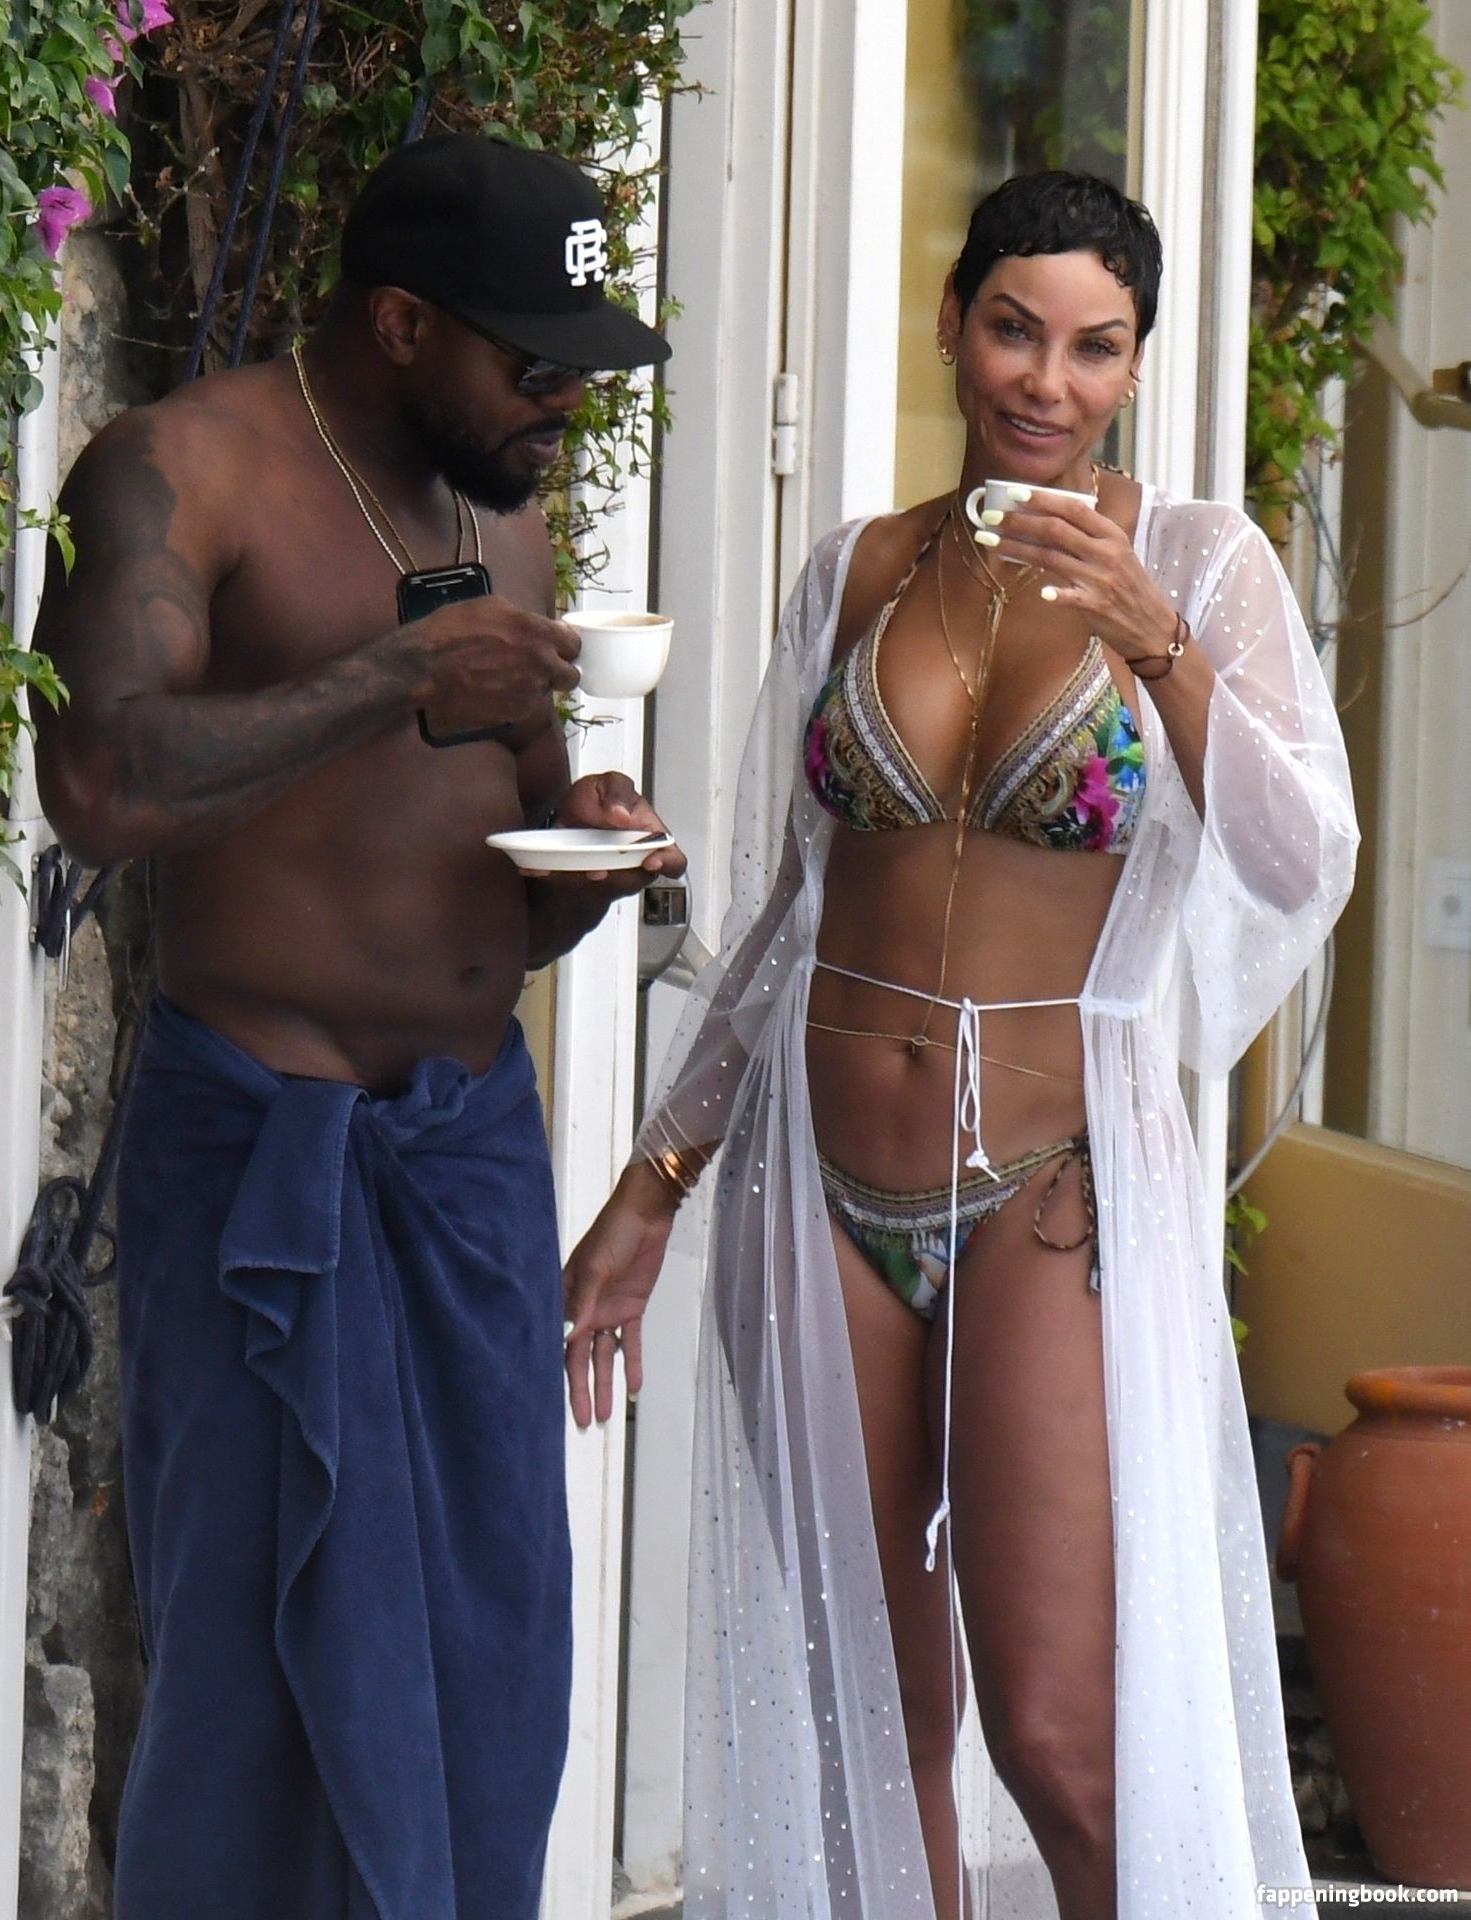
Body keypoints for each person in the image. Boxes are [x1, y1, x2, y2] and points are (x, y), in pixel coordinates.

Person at [564, 172, 1358, 1920]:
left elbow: (1303, 861)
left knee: (1064, 1743)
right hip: (817, 1180)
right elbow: (785, 910)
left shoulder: (1198, 565)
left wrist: (1159, 648)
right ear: (951, 323)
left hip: (1047, 1191)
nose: (1046, 382)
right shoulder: (856, 567)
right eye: (1013, 329)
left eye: (1094, 348)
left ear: (1135, 364)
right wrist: (656, 1176)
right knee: (875, 1734)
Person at [32, 133, 683, 1920]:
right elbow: (99, 780)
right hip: (267, 1157)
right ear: (400, 322)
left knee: (488, 1670)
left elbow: (496, 843)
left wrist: (589, 854)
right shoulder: (180, 468)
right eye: (533, 361)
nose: (564, 399)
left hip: (465, 1164)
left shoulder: (501, 504)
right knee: (259, 1693)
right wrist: (393, 673)